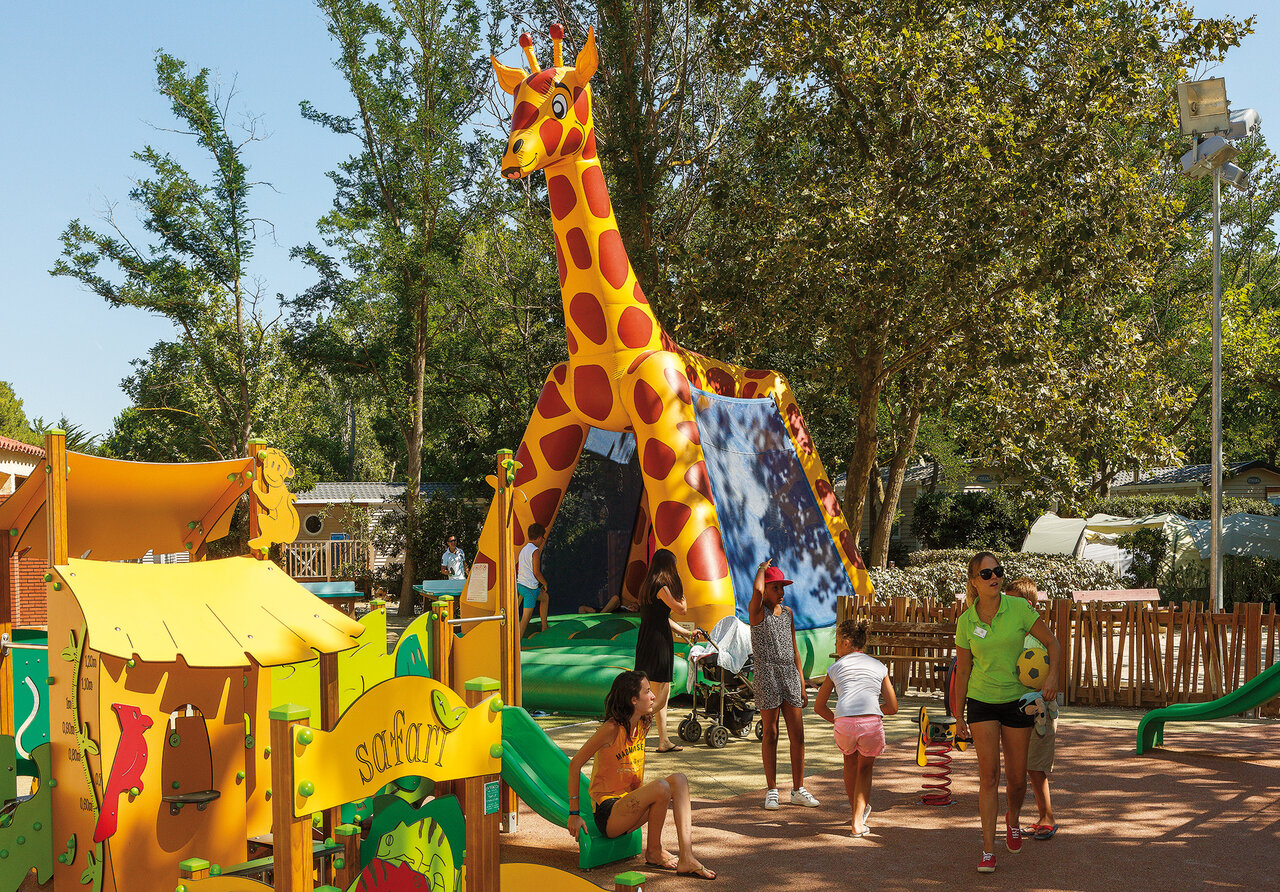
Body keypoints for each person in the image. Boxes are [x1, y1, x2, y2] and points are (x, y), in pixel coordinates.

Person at [953, 552, 1060, 874]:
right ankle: (988, 849)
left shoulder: (1019, 608)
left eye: (997, 571)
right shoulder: (966, 621)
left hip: (1018, 701)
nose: (994, 577)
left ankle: (1012, 819)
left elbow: (1052, 643)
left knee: (1015, 779)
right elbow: (963, 670)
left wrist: (1052, 678)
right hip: (981, 701)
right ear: (974, 581)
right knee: (988, 778)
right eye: (986, 574)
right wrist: (958, 716)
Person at [567, 670, 716, 880]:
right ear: (633, 700)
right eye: (647, 691)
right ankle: (655, 850)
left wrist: (666, 680)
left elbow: (660, 701)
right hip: (609, 814)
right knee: (662, 786)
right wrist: (574, 814)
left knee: (679, 780)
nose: (652, 696)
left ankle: (686, 856)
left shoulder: (643, 723)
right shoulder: (611, 729)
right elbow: (574, 764)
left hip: (632, 805)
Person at [814, 618, 898, 837]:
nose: (835, 645)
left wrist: (840, 721)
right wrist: (874, 711)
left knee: (849, 764)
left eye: (836, 641)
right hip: (870, 724)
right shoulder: (879, 666)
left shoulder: (835, 668)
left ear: (846, 642)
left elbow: (819, 706)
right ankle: (857, 822)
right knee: (865, 770)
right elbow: (893, 707)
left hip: (843, 724)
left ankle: (856, 812)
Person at [750, 558, 819, 810]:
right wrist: (761, 569)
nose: (781, 592)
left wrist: (801, 682)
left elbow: (795, 650)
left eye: (782, 587)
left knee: (797, 734)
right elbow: (757, 589)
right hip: (767, 674)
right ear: (765, 589)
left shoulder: (788, 613)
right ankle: (772, 790)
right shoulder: (757, 612)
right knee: (770, 733)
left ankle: (798, 789)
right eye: (775, 587)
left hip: (789, 674)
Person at [1004, 575, 1059, 841]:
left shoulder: (1039, 637)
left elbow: (1052, 661)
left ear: (1028, 605)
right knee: (1023, 766)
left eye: (1013, 602)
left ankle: (1047, 818)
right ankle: (1037, 817)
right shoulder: (1013, 635)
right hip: (1018, 708)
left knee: (1035, 766)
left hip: (1041, 710)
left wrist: (1049, 682)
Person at [634, 548, 703, 753]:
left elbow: (662, 618)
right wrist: (681, 590)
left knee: (655, 692)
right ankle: (634, 725)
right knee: (662, 694)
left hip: (647, 640)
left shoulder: (647, 586)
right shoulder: (662, 587)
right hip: (659, 642)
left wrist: (686, 633)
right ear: (668, 566)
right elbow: (682, 609)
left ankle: (663, 740)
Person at [516, 523, 550, 638]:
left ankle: (544, 626)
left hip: (522, 586)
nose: (543, 540)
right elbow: (536, 572)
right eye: (543, 537)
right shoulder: (535, 551)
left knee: (545, 598)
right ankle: (517, 643)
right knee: (526, 618)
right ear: (539, 537)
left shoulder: (524, 549)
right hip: (529, 588)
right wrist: (545, 583)